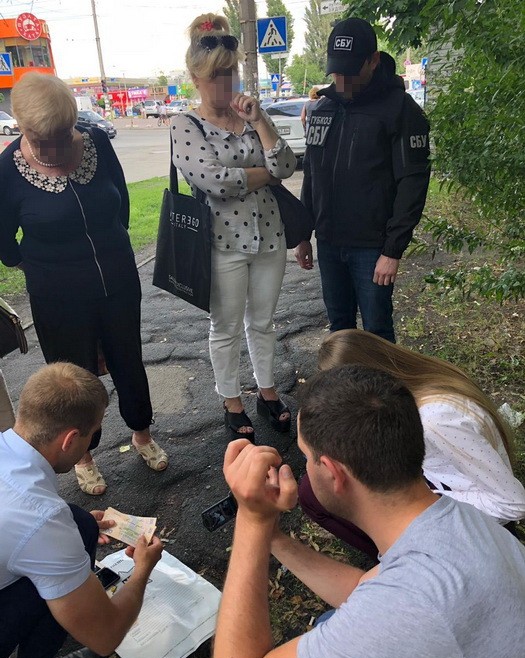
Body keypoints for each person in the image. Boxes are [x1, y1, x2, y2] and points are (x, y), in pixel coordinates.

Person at [200, 365, 525, 658]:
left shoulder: (404, 613)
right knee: (328, 623)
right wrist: (273, 537)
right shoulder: (455, 517)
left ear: (333, 473)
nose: (306, 468)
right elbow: (363, 589)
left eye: (306, 457)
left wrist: (252, 521)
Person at [0, 73, 168, 496]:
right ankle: (84, 456)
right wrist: (36, 266)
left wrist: (115, 246)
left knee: (128, 361)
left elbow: (120, 202)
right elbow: (3, 239)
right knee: (73, 377)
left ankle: (142, 433)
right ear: (22, 126)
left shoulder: (97, 143)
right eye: (43, 139)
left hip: (117, 281)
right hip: (57, 295)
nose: (55, 148)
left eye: (62, 135)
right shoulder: (7, 169)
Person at [0, 363, 163, 658]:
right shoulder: (42, 518)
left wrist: (71, 530)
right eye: (94, 435)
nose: (93, 442)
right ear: (71, 439)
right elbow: (106, 636)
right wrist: (142, 569)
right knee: (66, 542)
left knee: (80, 524)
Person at [171, 14, 296, 442]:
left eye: (231, 73)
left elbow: (286, 165)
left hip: (270, 237)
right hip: (221, 243)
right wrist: (264, 174)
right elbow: (215, 182)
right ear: (195, 78)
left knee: (263, 322)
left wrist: (260, 122)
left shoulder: (251, 116)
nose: (225, 85)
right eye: (215, 77)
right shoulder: (185, 124)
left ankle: (267, 392)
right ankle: (232, 402)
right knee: (225, 328)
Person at [298, 329, 525, 557]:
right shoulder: (425, 381)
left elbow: (512, 504)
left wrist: (428, 504)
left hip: (476, 525)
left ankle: (401, 556)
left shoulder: (436, 420)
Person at [296, 18, 431, 343]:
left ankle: (380, 381)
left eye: (350, 71)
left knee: (378, 333)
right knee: (339, 332)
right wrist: (302, 233)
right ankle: (346, 381)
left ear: (373, 60)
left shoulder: (400, 109)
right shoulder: (322, 109)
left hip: (373, 248)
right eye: (336, 72)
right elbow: (312, 174)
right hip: (329, 243)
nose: (342, 79)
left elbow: (413, 183)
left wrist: (392, 250)